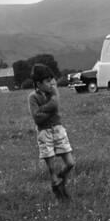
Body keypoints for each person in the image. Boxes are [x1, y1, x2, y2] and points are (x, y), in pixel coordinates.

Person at [28, 63, 75, 199]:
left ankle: (62, 178)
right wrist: (50, 110)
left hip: (58, 130)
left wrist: (43, 109)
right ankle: (57, 187)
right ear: (38, 83)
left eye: (51, 80)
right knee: (51, 167)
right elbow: (37, 119)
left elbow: (54, 105)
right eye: (48, 81)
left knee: (70, 163)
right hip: (44, 133)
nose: (52, 83)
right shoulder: (32, 97)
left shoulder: (54, 91)